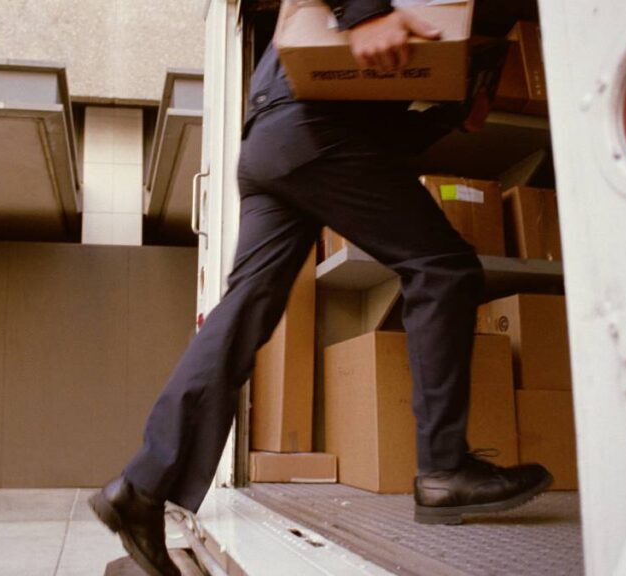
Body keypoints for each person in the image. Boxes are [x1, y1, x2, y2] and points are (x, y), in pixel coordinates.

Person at [90, 1, 552, 574]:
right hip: (310, 129)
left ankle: (141, 486)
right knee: (444, 267)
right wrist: (366, 15)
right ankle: (443, 468)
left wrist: (453, 114)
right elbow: (345, 119)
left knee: (241, 315)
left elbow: (372, 135)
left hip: (272, 144)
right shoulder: (377, 14)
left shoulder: (374, 55)